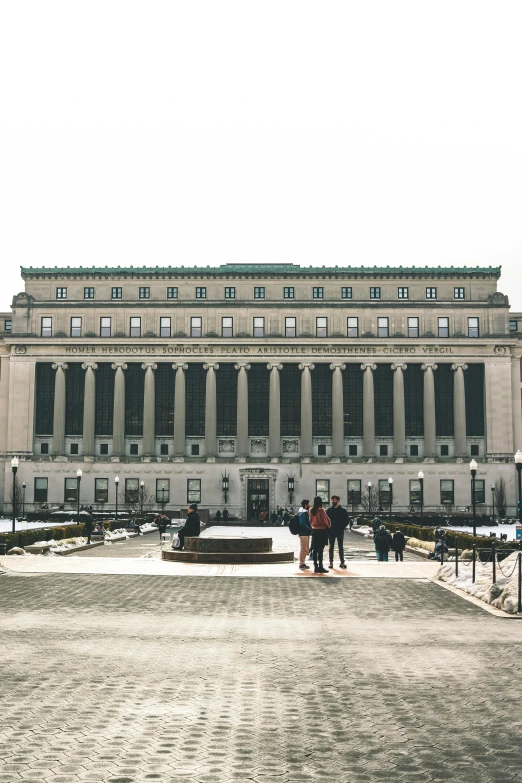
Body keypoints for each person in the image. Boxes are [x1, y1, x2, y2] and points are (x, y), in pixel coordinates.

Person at [309, 496, 331, 573]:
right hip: (322, 531)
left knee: (315, 550)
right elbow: (325, 520)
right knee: (320, 549)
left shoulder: (311, 510)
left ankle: (315, 566)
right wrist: (328, 526)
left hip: (314, 531)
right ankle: (321, 567)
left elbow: (310, 521)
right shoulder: (321, 510)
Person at [326, 495, 349, 569]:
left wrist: (341, 527)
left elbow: (347, 521)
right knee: (331, 547)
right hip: (331, 532)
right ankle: (331, 562)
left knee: (340, 547)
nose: (333, 501)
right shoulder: (329, 511)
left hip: (340, 531)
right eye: (332, 500)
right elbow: (326, 521)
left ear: (338, 501)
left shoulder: (343, 511)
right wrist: (329, 528)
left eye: (334, 500)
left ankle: (342, 562)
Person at [298, 499, 313, 570]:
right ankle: (301, 563)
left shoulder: (304, 512)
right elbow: (302, 523)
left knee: (306, 549)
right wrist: (309, 529)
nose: (310, 505)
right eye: (308, 504)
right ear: (306, 505)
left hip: (305, 533)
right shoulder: (303, 513)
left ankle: (303, 562)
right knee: (304, 548)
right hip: (303, 533)